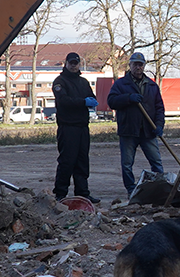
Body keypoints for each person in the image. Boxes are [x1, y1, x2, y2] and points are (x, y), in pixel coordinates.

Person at [106, 52, 165, 194]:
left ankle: (161, 189)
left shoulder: (151, 85)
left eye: (140, 64)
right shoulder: (121, 84)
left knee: (156, 162)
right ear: (130, 65)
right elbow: (111, 101)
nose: (138, 67)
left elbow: (159, 108)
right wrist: (128, 98)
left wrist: (159, 125)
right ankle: (131, 190)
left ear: (144, 66)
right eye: (135, 64)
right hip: (129, 130)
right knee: (127, 164)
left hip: (148, 130)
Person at [51, 51, 99, 203]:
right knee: (67, 161)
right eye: (71, 63)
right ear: (66, 64)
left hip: (82, 127)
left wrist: (91, 101)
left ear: (79, 64)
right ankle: (60, 193)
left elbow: (92, 97)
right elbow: (64, 101)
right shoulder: (60, 81)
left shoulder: (83, 82)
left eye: (75, 63)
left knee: (82, 162)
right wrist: (83, 102)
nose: (73, 66)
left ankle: (83, 193)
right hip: (68, 127)